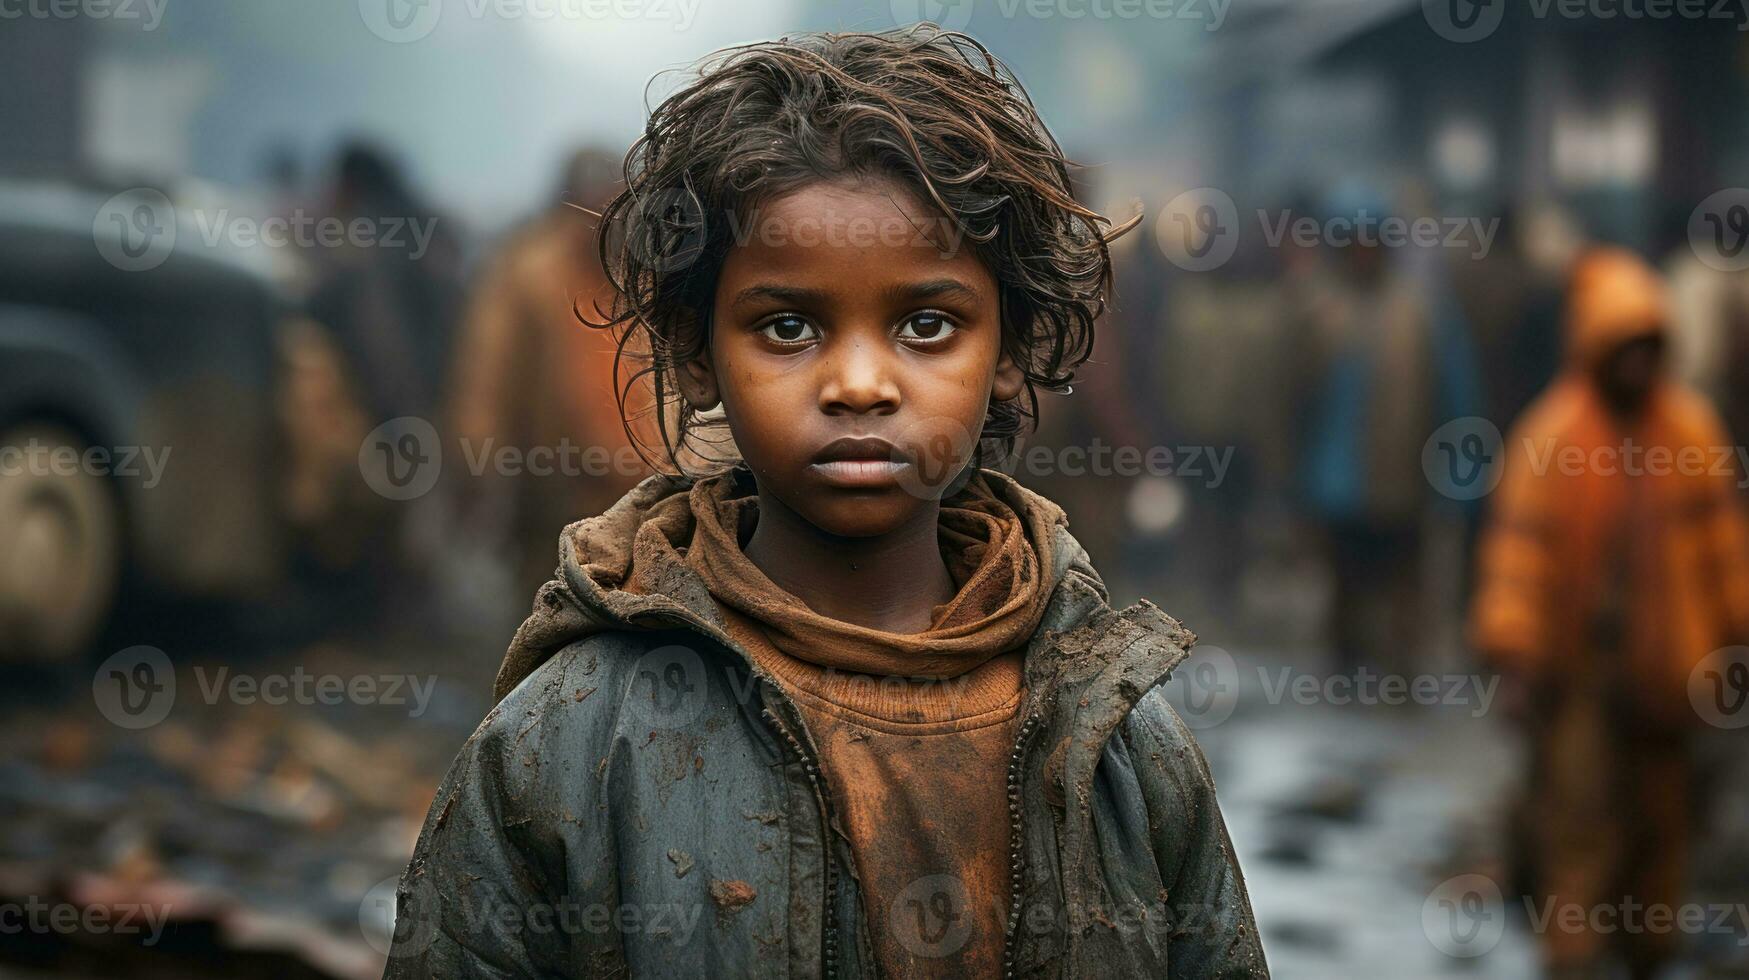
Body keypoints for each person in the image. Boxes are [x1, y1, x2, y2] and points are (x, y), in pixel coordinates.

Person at [385, 26, 1265, 980]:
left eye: (926, 325)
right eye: (789, 325)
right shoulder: (565, 747)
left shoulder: (1115, 743)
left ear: (1007, 351)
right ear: (695, 352)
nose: (857, 383)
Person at [1470, 247, 1749, 980]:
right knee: (1579, 826)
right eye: (1622, 345)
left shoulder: (1691, 430)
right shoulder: (1552, 436)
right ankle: (1570, 960)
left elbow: (1722, 548)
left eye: (1647, 346)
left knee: (1662, 830)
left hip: (1671, 673)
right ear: (1594, 345)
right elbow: (1518, 557)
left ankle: (1648, 954)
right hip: (1582, 676)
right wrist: (1514, 655)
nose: (1635, 361)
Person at [449, 148, 647, 598]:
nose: (602, 212)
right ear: (569, 202)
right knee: (549, 596)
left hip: (634, 481)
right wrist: (479, 463)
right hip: (552, 477)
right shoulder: (528, 272)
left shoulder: (636, 270)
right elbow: (486, 378)